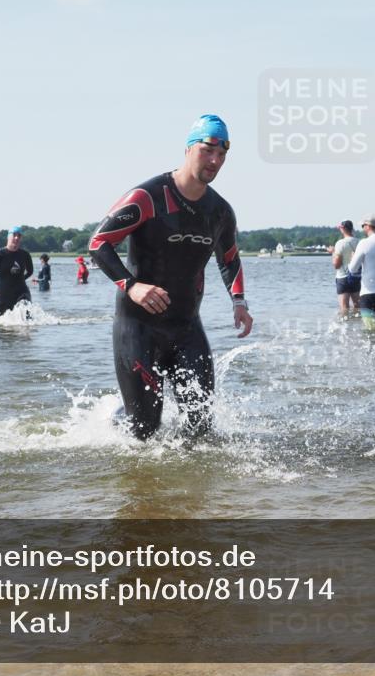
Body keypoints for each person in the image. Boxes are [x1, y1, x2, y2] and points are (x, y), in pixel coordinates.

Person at [88, 114, 254, 441]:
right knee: (144, 429)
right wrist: (132, 286)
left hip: (187, 327)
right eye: (208, 150)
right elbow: (98, 243)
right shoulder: (148, 197)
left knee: (200, 426)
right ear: (189, 148)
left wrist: (239, 302)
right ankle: (115, 420)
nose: (215, 160)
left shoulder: (220, 211)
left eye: (222, 155)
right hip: (138, 327)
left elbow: (230, 259)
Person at [326, 220, 361, 317]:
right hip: (356, 277)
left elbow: (336, 265)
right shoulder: (359, 242)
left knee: (344, 308)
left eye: (340, 228)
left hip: (343, 278)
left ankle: (345, 329)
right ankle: (357, 327)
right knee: (357, 306)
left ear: (343, 229)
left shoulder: (340, 243)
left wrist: (333, 253)